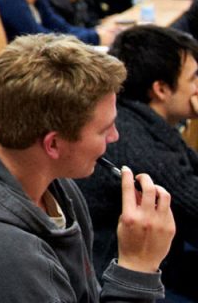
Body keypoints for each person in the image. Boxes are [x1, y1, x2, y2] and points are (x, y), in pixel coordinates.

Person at [0, 34, 175, 302]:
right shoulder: (2, 257)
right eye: (104, 129)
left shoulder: (56, 186)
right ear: (53, 144)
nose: (115, 137)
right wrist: (137, 267)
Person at [76, 25, 198, 300]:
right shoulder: (137, 148)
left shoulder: (143, 119)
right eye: (194, 79)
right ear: (162, 89)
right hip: (121, 284)